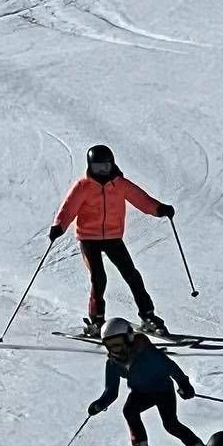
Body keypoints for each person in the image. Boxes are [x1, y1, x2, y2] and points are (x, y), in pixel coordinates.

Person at [49, 144, 174, 337]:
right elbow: (68, 208)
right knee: (98, 278)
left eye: (105, 167)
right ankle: (97, 320)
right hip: (89, 238)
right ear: (90, 166)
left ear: (112, 165)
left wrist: (159, 209)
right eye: (98, 167)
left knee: (132, 275)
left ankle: (148, 315)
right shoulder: (83, 186)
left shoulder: (120, 184)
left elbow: (140, 199)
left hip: (113, 236)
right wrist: (59, 226)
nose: (102, 172)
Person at [87, 318, 207, 446]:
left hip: (162, 390)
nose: (116, 349)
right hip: (141, 392)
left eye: (119, 343)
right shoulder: (113, 364)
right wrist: (100, 404)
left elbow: (169, 366)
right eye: (111, 345)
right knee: (129, 410)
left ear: (129, 337)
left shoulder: (147, 353)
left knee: (171, 424)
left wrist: (183, 383)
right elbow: (111, 391)